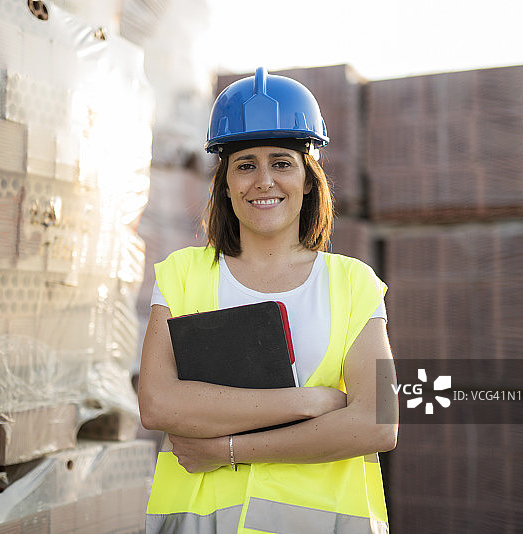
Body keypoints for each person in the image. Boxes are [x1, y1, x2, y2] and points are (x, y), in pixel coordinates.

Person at [138, 67, 399, 534]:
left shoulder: (355, 284)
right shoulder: (182, 274)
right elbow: (159, 405)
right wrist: (308, 402)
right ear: (225, 183)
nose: (264, 181)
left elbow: (378, 424)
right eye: (245, 165)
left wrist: (224, 451)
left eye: (281, 162)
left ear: (308, 178)